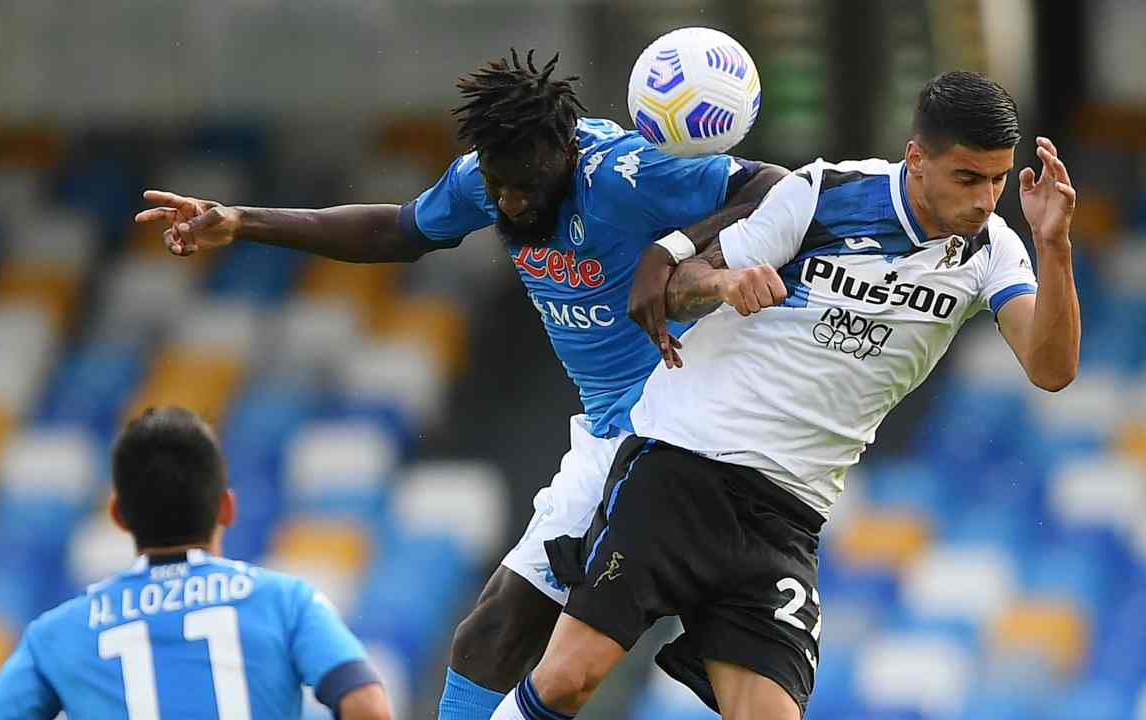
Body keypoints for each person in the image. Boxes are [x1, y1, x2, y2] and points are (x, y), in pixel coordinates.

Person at [135, 49, 787, 720]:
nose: (509, 200)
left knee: (538, 646)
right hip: (608, 430)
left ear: (564, 150)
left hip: (681, 421)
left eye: (525, 184)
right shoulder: (486, 176)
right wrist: (243, 220)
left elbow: (775, 187)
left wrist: (672, 251)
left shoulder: (630, 175)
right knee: (496, 636)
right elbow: (397, 229)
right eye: (499, 184)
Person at [491, 71, 1080, 720]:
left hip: (787, 516)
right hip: (687, 466)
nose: (986, 200)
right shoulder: (824, 192)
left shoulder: (991, 252)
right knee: (571, 677)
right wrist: (723, 287)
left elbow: (1050, 369)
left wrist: (1053, 246)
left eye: (998, 180)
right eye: (968, 179)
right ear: (917, 159)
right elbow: (677, 286)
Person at [0, 406, 392, 720]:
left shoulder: (60, 631)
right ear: (226, 508)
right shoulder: (287, 602)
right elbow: (367, 704)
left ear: (118, 515)